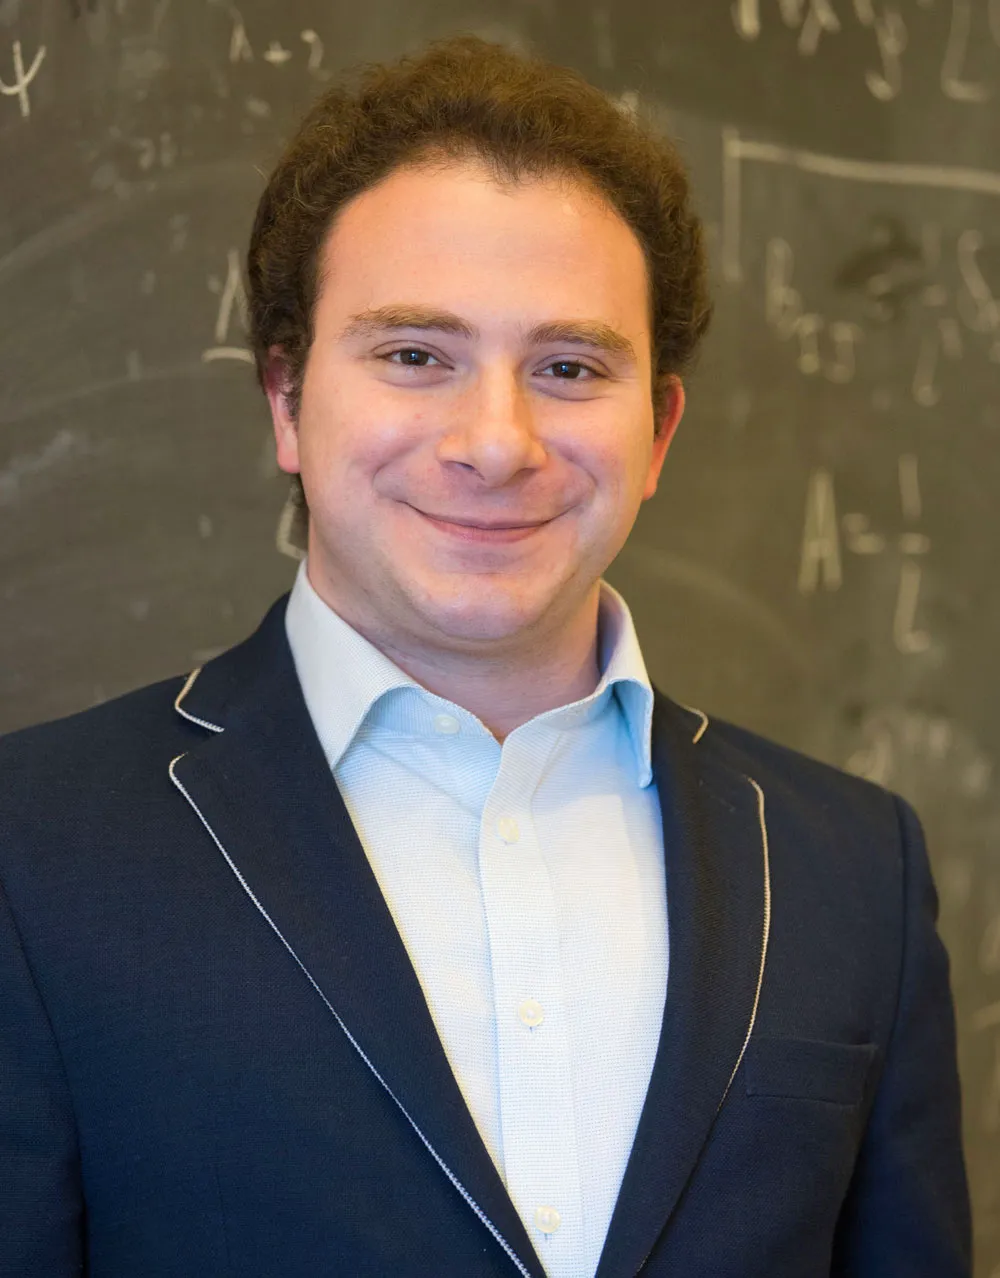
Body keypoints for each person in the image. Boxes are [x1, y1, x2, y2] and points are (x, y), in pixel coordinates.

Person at [0, 34, 970, 1278]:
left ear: (659, 428)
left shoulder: (852, 872)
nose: (496, 441)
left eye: (568, 368)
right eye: (416, 356)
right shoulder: (36, 848)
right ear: (287, 400)